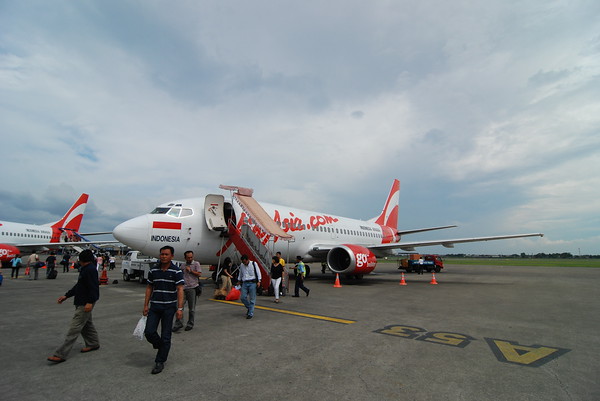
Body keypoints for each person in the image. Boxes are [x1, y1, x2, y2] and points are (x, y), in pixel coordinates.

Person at [47, 249, 100, 363]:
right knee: (86, 324)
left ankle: (61, 354)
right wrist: (66, 296)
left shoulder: (90, 270)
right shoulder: (85, 269)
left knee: (75, 328)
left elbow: (94, 288)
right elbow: (79, 286)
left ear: (82, 259)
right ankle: (93, 343)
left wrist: (90, 302)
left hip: (85, 302)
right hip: (81, 301)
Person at [143, 246, 184, 374]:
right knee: (149, 332)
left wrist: (180, 308)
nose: (164, 256)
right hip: (155, 306)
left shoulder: (176, 271)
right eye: (162, 254)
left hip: (169, 307)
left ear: (172, 256)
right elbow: (149, 287)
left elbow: (180, 289)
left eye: (166, 254)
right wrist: (145, 305)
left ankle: (160, 361)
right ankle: (160, 345)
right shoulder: (154, 270)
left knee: (166, 335)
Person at [173, 250, 201, 332]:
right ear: (185, 258)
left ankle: (190, 324)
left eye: (191, 257)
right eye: (188, 257)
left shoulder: (196, 264)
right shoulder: (183, 265)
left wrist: (191, 271)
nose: (190, 259)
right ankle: (179, 323)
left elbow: (199, 274)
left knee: (191, 308)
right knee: (179, 306)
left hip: (192, 287)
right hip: (183, 288)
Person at [237, 254, 261, 319]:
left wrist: (259, 281)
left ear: (248, 260)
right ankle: (250, 308)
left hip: (252, 283)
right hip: (245, 283)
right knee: (243, 297)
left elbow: (258, 272)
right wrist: (239, 280)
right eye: (243, 262)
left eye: (245, 262)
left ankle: (250, 313)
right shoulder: (242, 265)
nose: (244, 263)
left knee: (252, 299)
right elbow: (240, 273)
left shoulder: (253, 264)